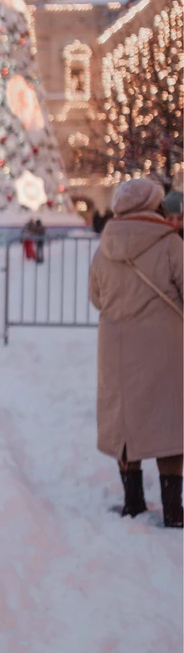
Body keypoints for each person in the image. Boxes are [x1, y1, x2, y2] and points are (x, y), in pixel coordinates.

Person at [88, 177, 183, 527]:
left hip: (116, 347)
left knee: (124, 422)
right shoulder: (170, 244)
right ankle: (173, 509)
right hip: (165, 347)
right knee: (169, 422)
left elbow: (96, 296)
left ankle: (133, 502)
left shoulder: (104, 247)